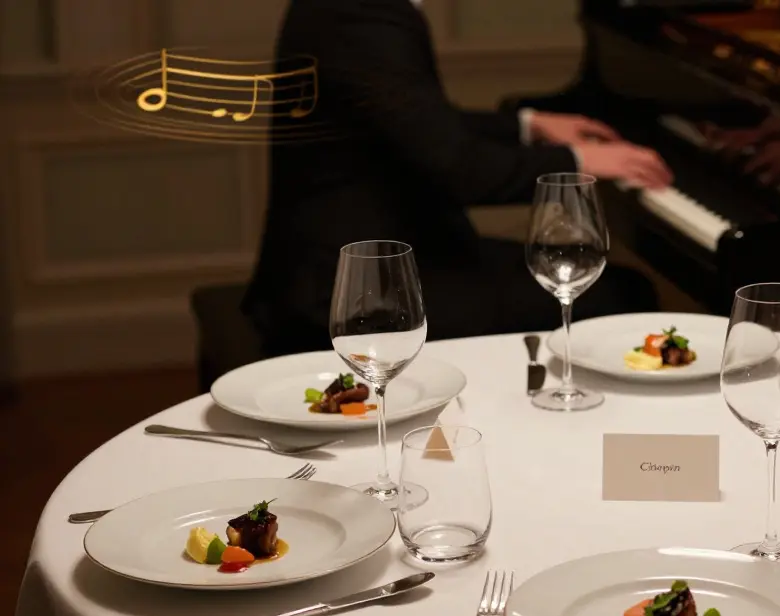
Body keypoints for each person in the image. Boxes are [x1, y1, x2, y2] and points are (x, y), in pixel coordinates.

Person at [243, 0, 673, 357]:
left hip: (369, 258)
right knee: (618, 294)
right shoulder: (365, 15)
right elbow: (460, 169)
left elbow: (415, 120)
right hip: (349, 288)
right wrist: (578, 158)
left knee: (593, 282)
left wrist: (528, 124)